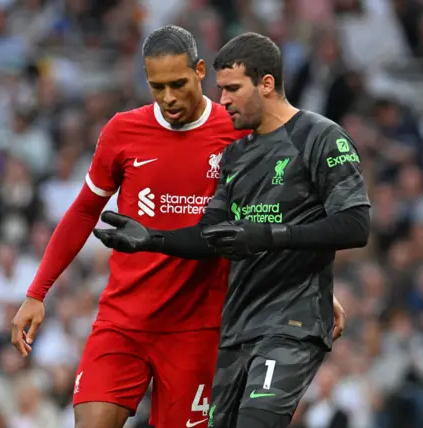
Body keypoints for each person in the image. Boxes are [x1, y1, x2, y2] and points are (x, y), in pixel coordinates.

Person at [11, 26, 346, 428]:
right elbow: (84, 211)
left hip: (199, 328)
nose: (168, 97)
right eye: (157, 87)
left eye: (178, 83)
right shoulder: (123, 131)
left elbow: (278, 210)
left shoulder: (236, 128)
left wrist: (313, 286)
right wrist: (37, 292)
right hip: (124, 320)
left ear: (200, 70)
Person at [93, 32, 370, 428]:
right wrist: (152, 239)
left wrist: (271, 237)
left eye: (232, 89)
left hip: (291, 324)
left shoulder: (321, 137)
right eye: (220, 89)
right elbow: (212, 234)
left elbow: (356, 225)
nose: (222, 100)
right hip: (236, 328)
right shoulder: (236, 154)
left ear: (267, 84)